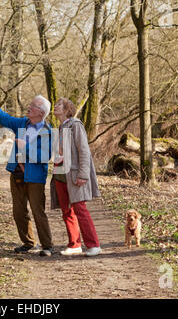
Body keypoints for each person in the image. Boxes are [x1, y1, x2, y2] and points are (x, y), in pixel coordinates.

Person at [0, 88, 54, 257]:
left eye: (33, 106)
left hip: (35, 177)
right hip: (17, 174)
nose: (29, 107)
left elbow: (44, 157)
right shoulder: (22, 123)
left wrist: (24, 147)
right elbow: (3, 118)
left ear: (41, 112)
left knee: (37, 211)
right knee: (19, 211)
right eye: (30, 105)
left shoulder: (47, 132)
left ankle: (47, 245)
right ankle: (28, 243)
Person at [50, 97, 101, 256]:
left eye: (59, 105)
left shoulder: (76, 125)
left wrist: (83, 174)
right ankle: (74, 244)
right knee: (66, 211)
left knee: (80, 209)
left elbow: (84, 151)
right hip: (59, 174)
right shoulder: (59, 128)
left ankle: (93, 245)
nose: (55, 107)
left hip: (74, 175)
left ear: (67, 109)